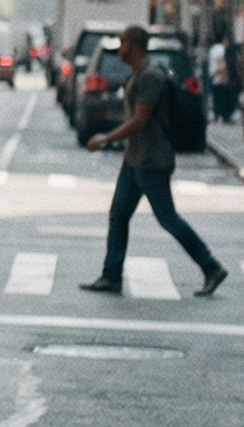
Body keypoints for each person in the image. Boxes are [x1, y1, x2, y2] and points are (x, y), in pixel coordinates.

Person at [82, 23, 227, 297]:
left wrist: (105, 139)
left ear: (134, 46)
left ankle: (211, 267)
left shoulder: (149, 77)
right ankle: (111, 275)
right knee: (119, 215)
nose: (119, 47)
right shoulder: (140, 74)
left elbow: (140, 119)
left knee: (168, 219)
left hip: (151, 160)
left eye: (123, 42)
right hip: (135, 159)